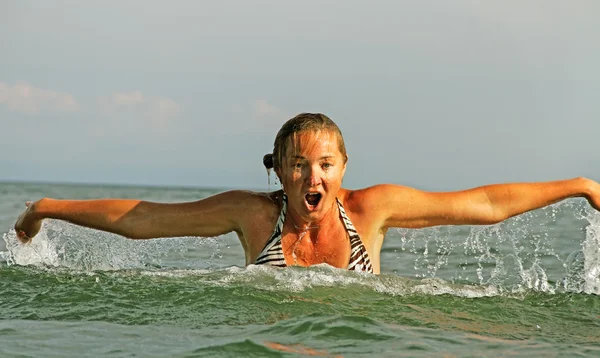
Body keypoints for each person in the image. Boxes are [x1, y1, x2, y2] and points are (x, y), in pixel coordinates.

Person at [14, 113, 600, 274]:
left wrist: (577, 186)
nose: (312, 179)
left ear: (344, 168)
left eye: (324, 165)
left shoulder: (373, 208)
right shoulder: (251, 214)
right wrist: (47, 208)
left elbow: (484, 205)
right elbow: (145, 219)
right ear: (279, 172)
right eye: (298, 166)